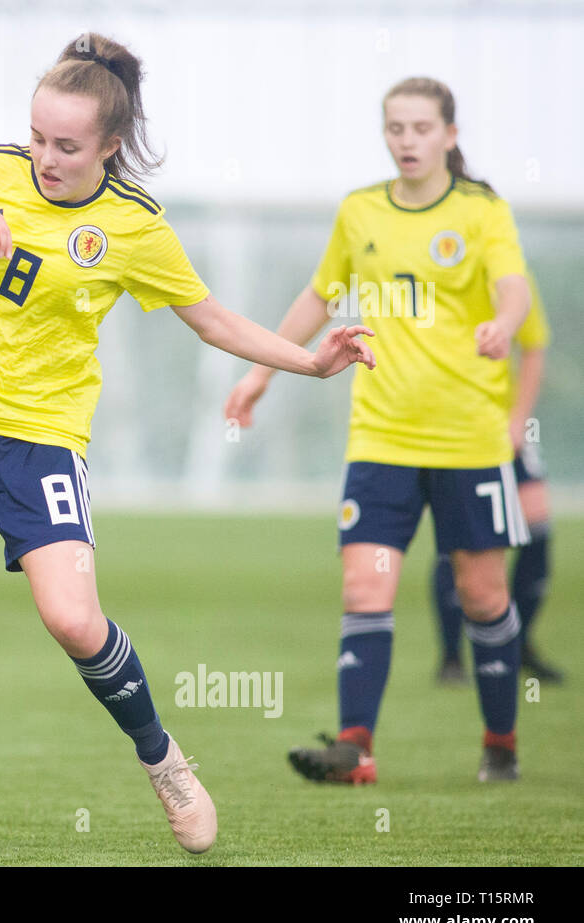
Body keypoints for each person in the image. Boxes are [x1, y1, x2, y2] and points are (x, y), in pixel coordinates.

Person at [0, 34, 374, 857]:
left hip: (39, 437)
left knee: (74, 620)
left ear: (109, 146)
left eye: (67, 146)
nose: (45, 156)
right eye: (39, 137)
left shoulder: (134, 227)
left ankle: (165, 762)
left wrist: (310, 362)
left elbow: (212, 318)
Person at [225, 77, 532, 784]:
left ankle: (502, 743)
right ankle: (355, 750)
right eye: (396, 128)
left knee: (484, 595)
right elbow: (321, 293)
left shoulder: (484, 212)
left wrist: (504, 324)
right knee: (366, 587)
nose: (407, 141)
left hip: (469, 440)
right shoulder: (360, 211)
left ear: (450, 136)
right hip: (381, 437)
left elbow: (513, 286)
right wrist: (262, 372)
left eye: (422, 128)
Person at [433, 276, 562, 684]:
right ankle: (452, 656)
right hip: (454, 424)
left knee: (537, 526)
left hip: (504, 425)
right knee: (458, 537)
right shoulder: (439, 270)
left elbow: (534, 346)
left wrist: (519, 420)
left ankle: (519, 641)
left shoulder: (514, 280)